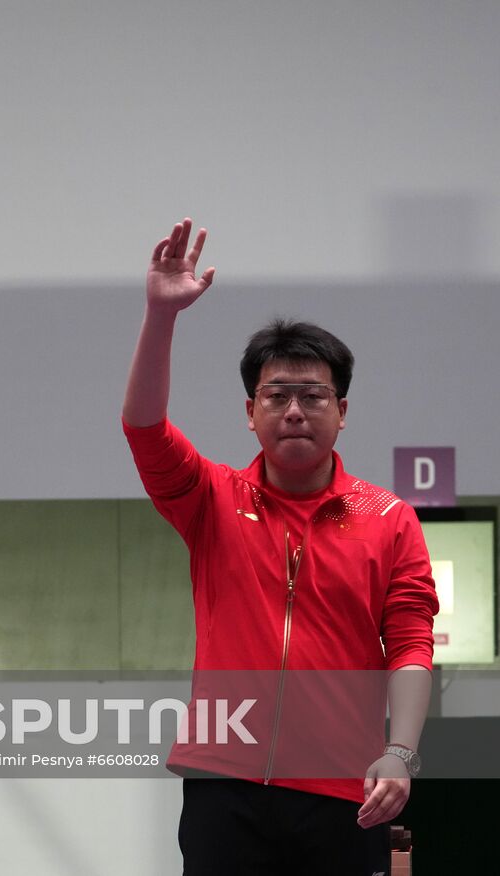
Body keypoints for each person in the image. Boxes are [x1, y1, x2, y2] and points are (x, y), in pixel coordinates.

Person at [122, 220, 438, 874]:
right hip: (224, 785)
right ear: (250, 411)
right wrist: (160, 317)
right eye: (277, 395)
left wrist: (400, 754)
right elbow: (143, 425)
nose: (294, 410)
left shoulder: (389, 517)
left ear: (342, 410)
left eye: (312, 395)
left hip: (344, 790)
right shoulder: (209, 499)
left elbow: (409, 643)